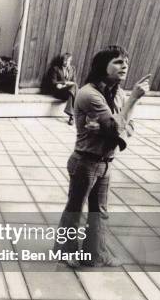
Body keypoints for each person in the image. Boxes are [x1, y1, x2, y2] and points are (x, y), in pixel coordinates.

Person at [53, 45, 150, 267]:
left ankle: (95, 254)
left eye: (125, 61)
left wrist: (115, 124)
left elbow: (129, 126)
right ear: (101, 66)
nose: (124, 65)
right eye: (117, 61)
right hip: (85, 161)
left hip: (106, 162)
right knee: (75, 210)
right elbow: (118, 128)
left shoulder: (117, 93)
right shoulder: (89, 93)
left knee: (100, 212)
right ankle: (66, 252)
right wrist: (133, 101)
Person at [43, 52, 77, 125]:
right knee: (75, 89)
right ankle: (73, 115)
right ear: (62, 60)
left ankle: (71, 115)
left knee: (74, 88)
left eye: (68, 61)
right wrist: (64, 83)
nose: (67, 62)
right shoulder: (56, 68)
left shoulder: (73, 69)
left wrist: (66, 84)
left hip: (69, 91)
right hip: (60, 92)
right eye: (65, 60)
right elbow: (53, 82)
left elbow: (74, 81)